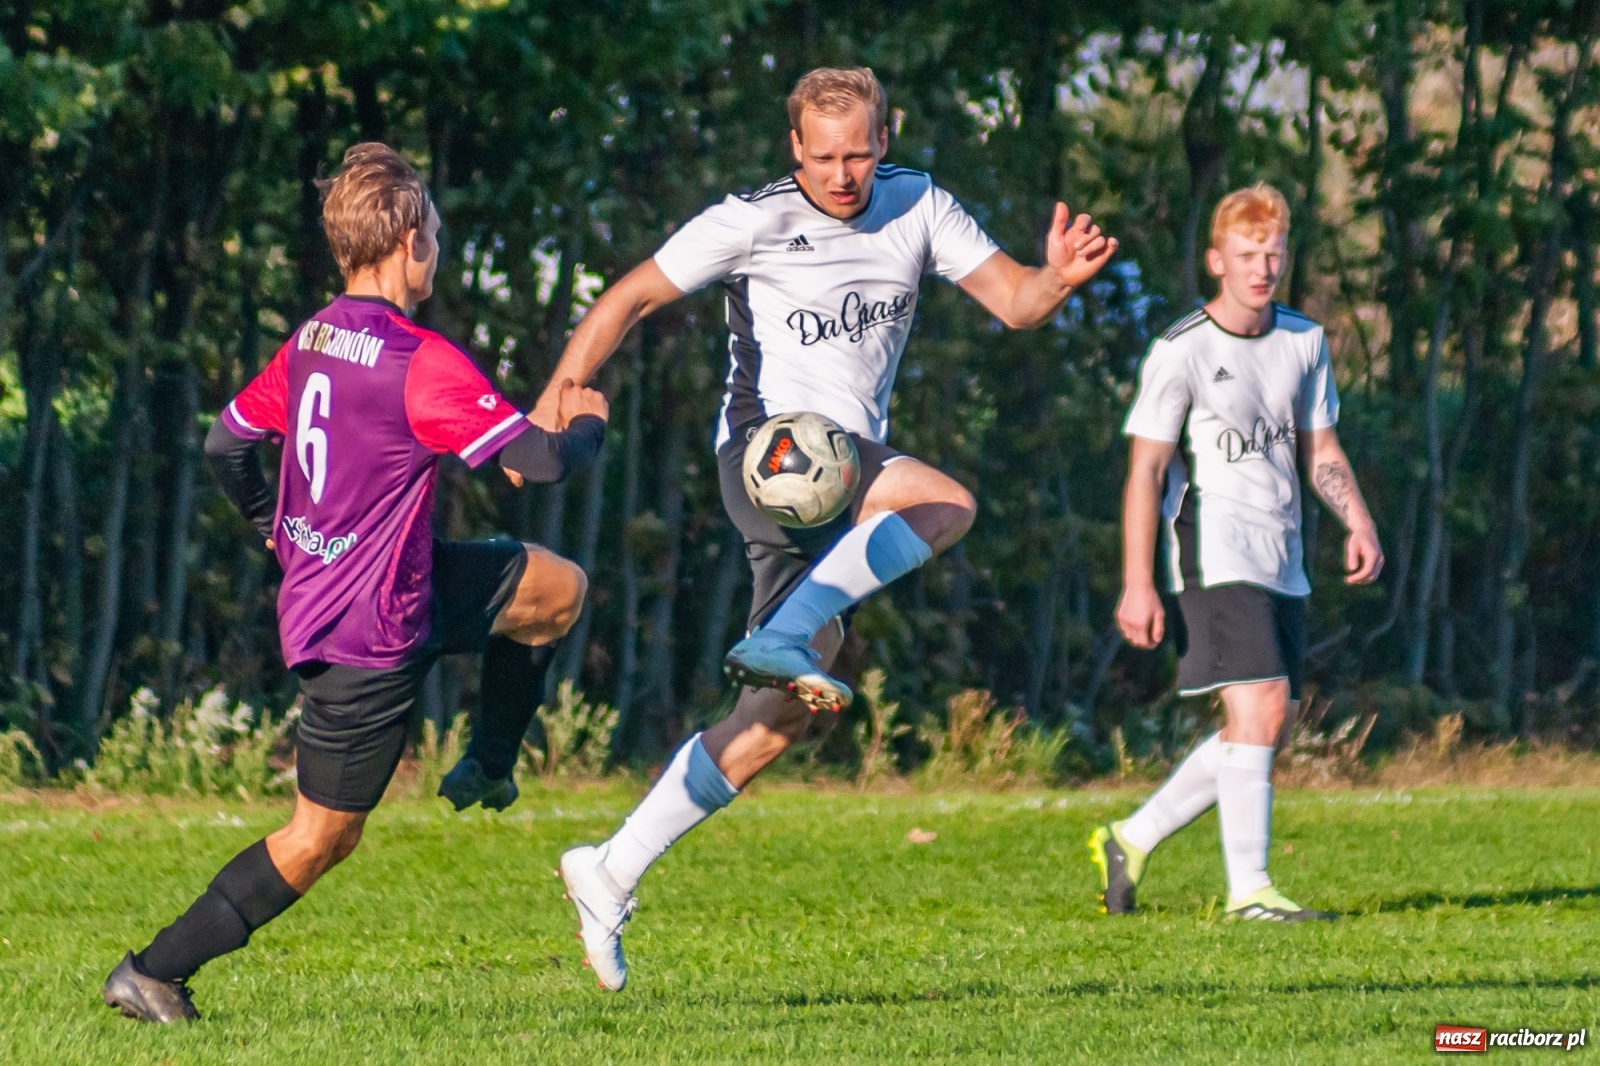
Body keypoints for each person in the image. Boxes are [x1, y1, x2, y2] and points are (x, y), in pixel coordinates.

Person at [541, 66, 1119, 990]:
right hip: (769, 455)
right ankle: (779, 632)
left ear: (884, 138)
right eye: (823, 157)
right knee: (943, 501)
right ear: (793, 150)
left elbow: (1016, 302)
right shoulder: (753, 217)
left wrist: (1057, 276)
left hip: (838, 477)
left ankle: (608, 870)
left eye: (859, 153)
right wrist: (555, 396)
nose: (843, 175)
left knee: (772, 725)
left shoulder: (918, 204)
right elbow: (630, 297)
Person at [102, 143, 609, 1023]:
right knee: (322, 838)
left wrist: (275, 529)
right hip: (361, 634)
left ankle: (488, 765)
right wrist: (588, 426)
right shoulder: (420, 361)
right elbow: (547, 463)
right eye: (438, 235)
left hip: (393, 584)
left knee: (554, 590)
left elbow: (226, 445)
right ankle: (152, 971)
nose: (440, 251)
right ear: (409, 240)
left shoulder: (312, 340)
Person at [1088, 183, 1383, 923]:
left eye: (1275, 255)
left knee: (1261, 724)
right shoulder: (1181, 350)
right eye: (1249, 256)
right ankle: (1249, 891)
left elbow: (1320, 446)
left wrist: (1358, 520)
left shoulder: (1304, 342)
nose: (1263, 269)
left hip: (1280, 550)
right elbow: (1146, 472)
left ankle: (1133, 835)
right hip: (1212, 551)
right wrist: (1136, 582)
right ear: (1218, 260)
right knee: (1261, 705)